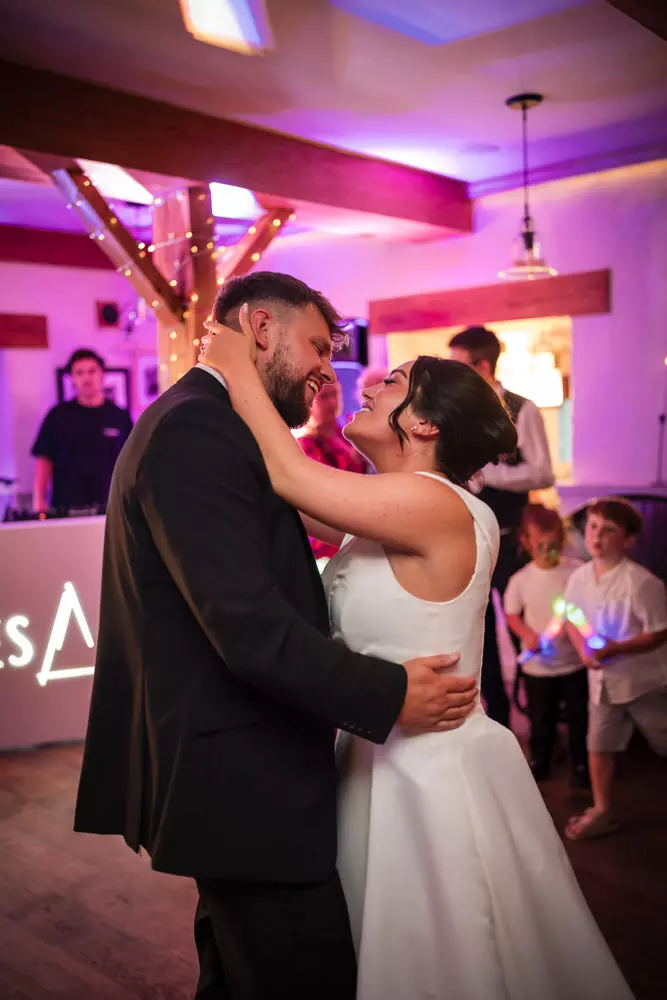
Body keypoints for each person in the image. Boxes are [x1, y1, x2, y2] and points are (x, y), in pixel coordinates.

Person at [200, 310, 633, 1000]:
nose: (369, 386)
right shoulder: (387, 506)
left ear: (426, 424)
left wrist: (230, 362)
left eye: (394, 382)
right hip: (376, 749)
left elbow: (286, 472)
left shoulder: (435, 504)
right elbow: (275, 485)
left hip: (425, 771)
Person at [74, 272, 478, 1000]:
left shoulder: (213, 424)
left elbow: (296, 504)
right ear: (261, 328)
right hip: (243, 778)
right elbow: (247, 626)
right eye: (319, 346)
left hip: (257, 768)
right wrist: (389, 693)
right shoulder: (199, 429)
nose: (329, 371)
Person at [449, 326, 555, 728]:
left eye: (460, 364)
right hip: (469, 541)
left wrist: (489, 475)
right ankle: (496, 724)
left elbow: (542, 472)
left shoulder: (522, 408)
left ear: (482, 365)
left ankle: (541, 728)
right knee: (477, 636)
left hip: (511, 540)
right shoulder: (456, 413)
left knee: (522, 631)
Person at [564, 497, 667, 841]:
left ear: (628, 540)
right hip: (602, 684)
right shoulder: (579, 577)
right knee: (599, 745)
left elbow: (658, 631)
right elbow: (572, 616)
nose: (596, 536)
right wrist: (583, 649)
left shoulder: (642, 583)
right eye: (593, 527)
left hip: (643, 684)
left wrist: (616, 648)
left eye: (608, 530)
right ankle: (602, 809)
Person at [504, 503, 589, 788]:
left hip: (573, 662)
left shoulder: (575, 573)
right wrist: (526, 633)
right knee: (541, 718)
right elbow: (512, 614)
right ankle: (540, 760)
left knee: (579, 716)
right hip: (538, 667)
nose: (547, 551)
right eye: (540, 546)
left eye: (553, 545)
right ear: (526, 542)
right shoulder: (520, 580)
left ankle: (581, 763)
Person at [32, 348, 132, 513]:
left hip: (111, 507)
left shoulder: (120, 416)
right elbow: (43, 458)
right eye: (79, 373)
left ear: (102, 374)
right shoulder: (57, 416)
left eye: (92, 371)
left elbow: (131, 462)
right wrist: (39, 499)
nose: (86, 378)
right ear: (72, 378)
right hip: (66, 507)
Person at [298, 380, 365, 561]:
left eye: (334, 394)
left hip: (359, 519)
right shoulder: (307, 444)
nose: (332, 402)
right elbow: (323, 489)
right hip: (331, 535)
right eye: (324, 397)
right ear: (309, 402)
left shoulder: (347, 433)